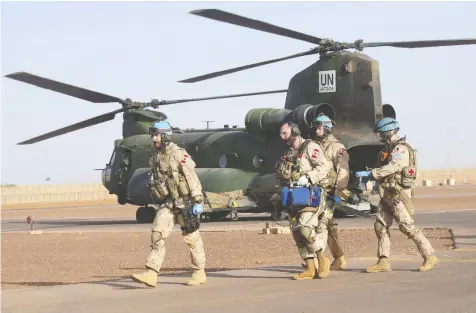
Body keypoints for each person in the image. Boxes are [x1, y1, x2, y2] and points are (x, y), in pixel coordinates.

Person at [355, 117, 438, 273]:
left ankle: (429, 255)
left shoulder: (400, 149)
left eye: (382, 131)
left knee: (407, 226)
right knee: (380, 225)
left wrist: (372, 173)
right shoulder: (387, 149)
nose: (380, 134)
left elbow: (393, 167)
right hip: (387, 194)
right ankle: (383, 261)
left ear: (390, 130)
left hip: (398, 194)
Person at [131, 120, 207, 287]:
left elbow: (191, 176)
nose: (154, 139)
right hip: (167, 202)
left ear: (165, 135)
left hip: (184, 202)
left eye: (157, 135)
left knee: (192, 238)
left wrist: (198, 200)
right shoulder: (156, 156)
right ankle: (151, 272)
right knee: (157, 234)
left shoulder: (178, 153)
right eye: (153, 135)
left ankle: (199, 271)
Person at [274, 121, 332, 280]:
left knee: (306, 229)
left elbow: (324, 167)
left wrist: (308, 177)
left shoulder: (310, 147)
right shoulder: (287, 152)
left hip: (310, 196)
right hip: (292, 199)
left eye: (284, 133)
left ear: (294, 131)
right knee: (297, 234)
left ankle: (322, 258)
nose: (282, 136)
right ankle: (310, 268)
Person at [311, 114, 348, 270]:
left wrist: (338, 193)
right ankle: (339, 258)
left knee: (322, 226)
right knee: (330, 227)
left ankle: (318, 261)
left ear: (326, 128)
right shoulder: (315, 146)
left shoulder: (337, 147)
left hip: (330, 193)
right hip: (317, 193)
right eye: (316, 126)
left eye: (319, 126)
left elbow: (343, 172)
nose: (316, 129)